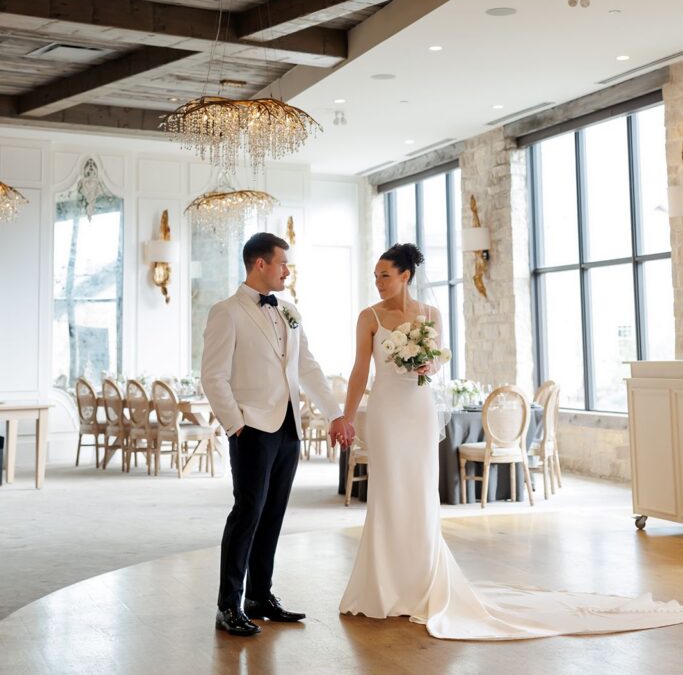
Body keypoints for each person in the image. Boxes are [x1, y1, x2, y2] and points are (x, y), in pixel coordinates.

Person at [339, 242, 683, 639]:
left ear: (405, 276)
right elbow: (359, 371)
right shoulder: (369, 317)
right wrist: (346, 416)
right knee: (387, 491)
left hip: (417, 410)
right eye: (375, 276)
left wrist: (427, 363)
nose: (378, 282)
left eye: (385, 275)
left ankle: (420, 583)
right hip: (385, 411)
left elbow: (434, 365)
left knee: (418, 492)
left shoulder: (430, 314)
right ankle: (381, 587)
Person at [201, 231, 354, 637]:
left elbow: (308, 367)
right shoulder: (227, 312)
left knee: (273, 515)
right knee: (247, 514)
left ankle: (259, 596)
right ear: (260, 264)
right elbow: (213, 376)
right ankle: (227, 605)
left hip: (288, 427)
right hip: (251, 426)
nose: (288, 270)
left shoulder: (289, 310)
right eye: (283, 263)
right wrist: (235, 424)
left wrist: (334, 414)